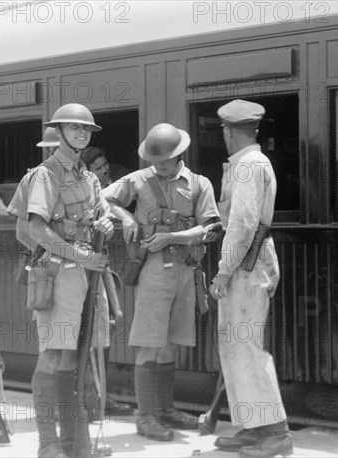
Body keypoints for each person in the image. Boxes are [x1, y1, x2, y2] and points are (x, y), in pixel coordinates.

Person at [102, 123, 221, 442]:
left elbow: (211, 228)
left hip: (186, 270)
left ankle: (165, 409)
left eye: (165, 159)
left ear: (179, 153)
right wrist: (125, 217)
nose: (159, 165)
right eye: (154, 160)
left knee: (170, 344)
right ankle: (146, 415)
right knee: (150, 344)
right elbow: (102, 199)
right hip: (153, 270)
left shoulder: (199, 184)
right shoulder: (138, 180)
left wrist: (174, 236)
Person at [8, 104, 114, 458]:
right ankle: (48, 444)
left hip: (87, 272)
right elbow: (35, 229)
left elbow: (102, 216)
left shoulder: (90, 178)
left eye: (86, 129)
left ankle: (73, 443)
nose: (82, 133)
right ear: (59, 131)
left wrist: (106, 225)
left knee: (76, 357)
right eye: (74, 128)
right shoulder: (45, 175)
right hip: (59, 270)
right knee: (54, 355)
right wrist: (80, 256)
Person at [209, 99, 293, 457]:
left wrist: (222, 272)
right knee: (235, 346)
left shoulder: (248, 166)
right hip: (250, 260)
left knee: (246, 347)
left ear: (228, 131)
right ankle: (252, 427)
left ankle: (275, 433)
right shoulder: (249, 163)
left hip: (245, 263)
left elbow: (243, 226)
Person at [80, 147, 136, 418]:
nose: (105, 171)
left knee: (105, 329)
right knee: (86, 335)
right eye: (98, 167)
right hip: (83, 270)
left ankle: (99, 395)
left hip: (103, 268)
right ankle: (88, 398)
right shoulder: (85, 191)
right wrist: (125, 216)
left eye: (105, 166)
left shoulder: (102, 190)